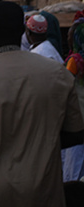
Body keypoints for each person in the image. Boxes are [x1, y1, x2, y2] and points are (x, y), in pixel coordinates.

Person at [0, 1, 84, 207]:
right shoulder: (59, 74)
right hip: (44, 192)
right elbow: (76, 133)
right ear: (22, 32)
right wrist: (41, 142)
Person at [64, 14, 84, 181]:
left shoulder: (74, 61)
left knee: (73, 170)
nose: (68, 38)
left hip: (77, 119)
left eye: (70, 35)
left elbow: (64, 86)